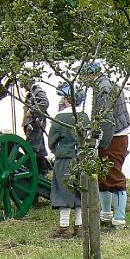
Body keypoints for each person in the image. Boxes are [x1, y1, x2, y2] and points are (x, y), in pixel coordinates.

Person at [82, 61, 130, 229]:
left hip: (114, 136)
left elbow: (106, 120)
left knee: (114, 177)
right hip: (114, 134)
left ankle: (119, 219)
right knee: (104, 175)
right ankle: (106, 215)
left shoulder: (103, 88)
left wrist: (100, 143)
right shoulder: (104, 85)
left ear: (91, 75)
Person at [49, 84, 90, 239]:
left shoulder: (59, 118)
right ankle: (79, 227)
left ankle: (64, 227)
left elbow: (52, 140)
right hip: (82, 158)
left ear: (66, 100)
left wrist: (57, 151)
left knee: (63, 191)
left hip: (65, 159)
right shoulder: (85, 116)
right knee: (80, 191)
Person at [23, 80, 51, 175]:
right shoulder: (33, 92)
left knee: (30, 148)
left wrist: (31, 111)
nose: (22, 86)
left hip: (35, 123)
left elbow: (44, 103)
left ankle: (30, 172)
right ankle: (43, 172)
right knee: (39, 150)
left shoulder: (37, 91)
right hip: (34, 123)